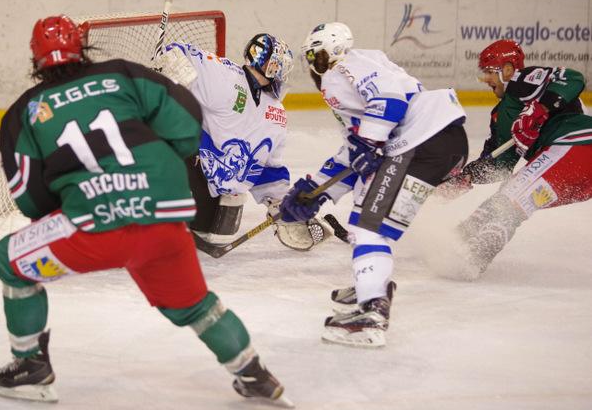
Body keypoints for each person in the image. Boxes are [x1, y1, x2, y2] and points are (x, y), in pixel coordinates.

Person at [0, 16, 289, 406]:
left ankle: (30, 367)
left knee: (8, 259)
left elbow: (31, 198)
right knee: (196, 304)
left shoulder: (23, 112)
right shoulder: (123, 74)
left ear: (35, 59)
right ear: (82, 46)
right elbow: (186, 119)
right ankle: (254, 374)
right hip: (165, 218)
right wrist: (160, 171)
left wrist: (67, 206)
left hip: (94, 227)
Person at [278, 22, 468, 347]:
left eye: (314, 55)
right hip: (440, 142)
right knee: (371, 216)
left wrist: (368, 141)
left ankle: (372, 312)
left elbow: (390, 102)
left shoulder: (345, 67)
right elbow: (354, 152)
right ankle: (373, 282)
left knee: (369, 226)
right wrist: (314, 191)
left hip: (419, 142)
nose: (313, 64)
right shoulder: (362, 75)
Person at [158, 34, 333, 252]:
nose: (281, 70)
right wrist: (171, 60)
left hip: (218, 193)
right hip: (192, 166)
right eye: (278, 63)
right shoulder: (225, 75)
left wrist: (280, 204)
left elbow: (266, 166)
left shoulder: (275, 113)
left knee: (209, 229)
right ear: (263, 60)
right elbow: (181, 52)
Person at [438, 40, 592, 278]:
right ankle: (459, 237)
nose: (486, 79)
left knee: (511, 199)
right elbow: (500, 164)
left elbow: (573, 78)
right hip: (575, 179)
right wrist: (467, 176)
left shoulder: (524, 81)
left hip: (577, 144)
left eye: (490, 72)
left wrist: (539, 109)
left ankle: (474, 257)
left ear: (508, 69)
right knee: (510, 194)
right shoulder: (500, 116)